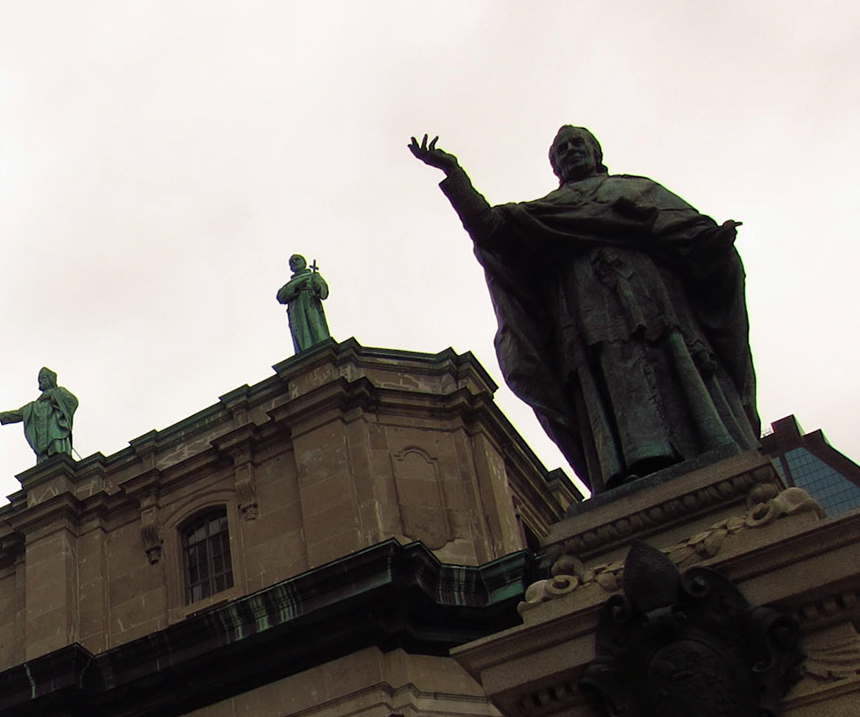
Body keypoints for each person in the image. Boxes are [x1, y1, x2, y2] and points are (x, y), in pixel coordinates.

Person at [409, 126, 756, 493]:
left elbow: (688, 229)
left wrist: (713, 244)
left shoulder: (636, 189)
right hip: (590, 314)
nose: (571, 151)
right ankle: (637, 461)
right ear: (555, 166)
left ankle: (709, 441)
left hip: (655, 299)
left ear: (596, 153)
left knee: (678, 362)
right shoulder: (547, 212)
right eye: (562, 150)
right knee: (614, 373)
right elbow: (491, 230)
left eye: (578, 144)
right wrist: (454, 174)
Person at [0, 367, 77, 460]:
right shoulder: (34, 406)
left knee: (57, 450)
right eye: (40, 381)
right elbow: (17, 414)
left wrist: (54, 397)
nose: (41, 383)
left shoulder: (59, 392)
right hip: (43, 440)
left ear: (50, 379)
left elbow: (73, 401)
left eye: (43, 379)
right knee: (45, 460)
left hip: (56, 433)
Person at [277, 253, 333, 354]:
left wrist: (318, 288)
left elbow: (323, 291)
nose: (294, 262)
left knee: (316, 328)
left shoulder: (312, 276)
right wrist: (297, 287)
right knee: (301, 333)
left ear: (304, 262)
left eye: (297, 259)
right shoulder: (289, 284)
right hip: (296, 311)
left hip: (311, 304)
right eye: (291, 262)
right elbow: (281, 296)